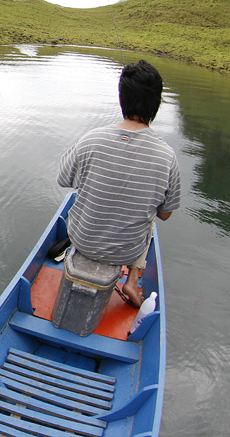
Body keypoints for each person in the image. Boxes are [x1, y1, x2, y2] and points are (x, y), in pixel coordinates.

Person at [58, 60, 181, 307]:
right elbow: (165, 214)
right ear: (156, 103)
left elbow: (63, 179)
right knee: (149, 222)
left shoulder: (90, 139)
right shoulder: (168, 157)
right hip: (126, 254)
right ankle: (132, 281)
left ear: (122, 98)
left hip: (81, 240)